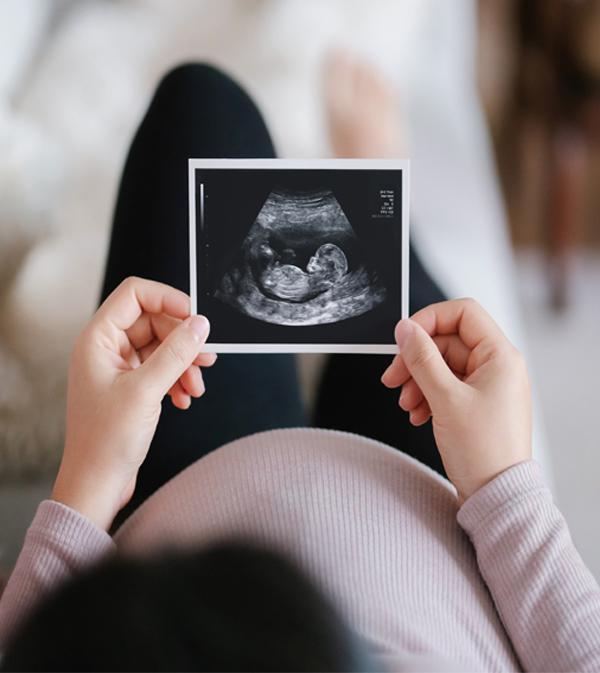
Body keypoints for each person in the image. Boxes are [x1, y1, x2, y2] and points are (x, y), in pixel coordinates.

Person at [0, 58, 599, 672]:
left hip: (184, 481)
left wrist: (84, 486)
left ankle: (373, 199)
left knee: (201, 102)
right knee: (419, 313)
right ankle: (377, 186)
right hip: (437, 495)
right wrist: (506, 486)